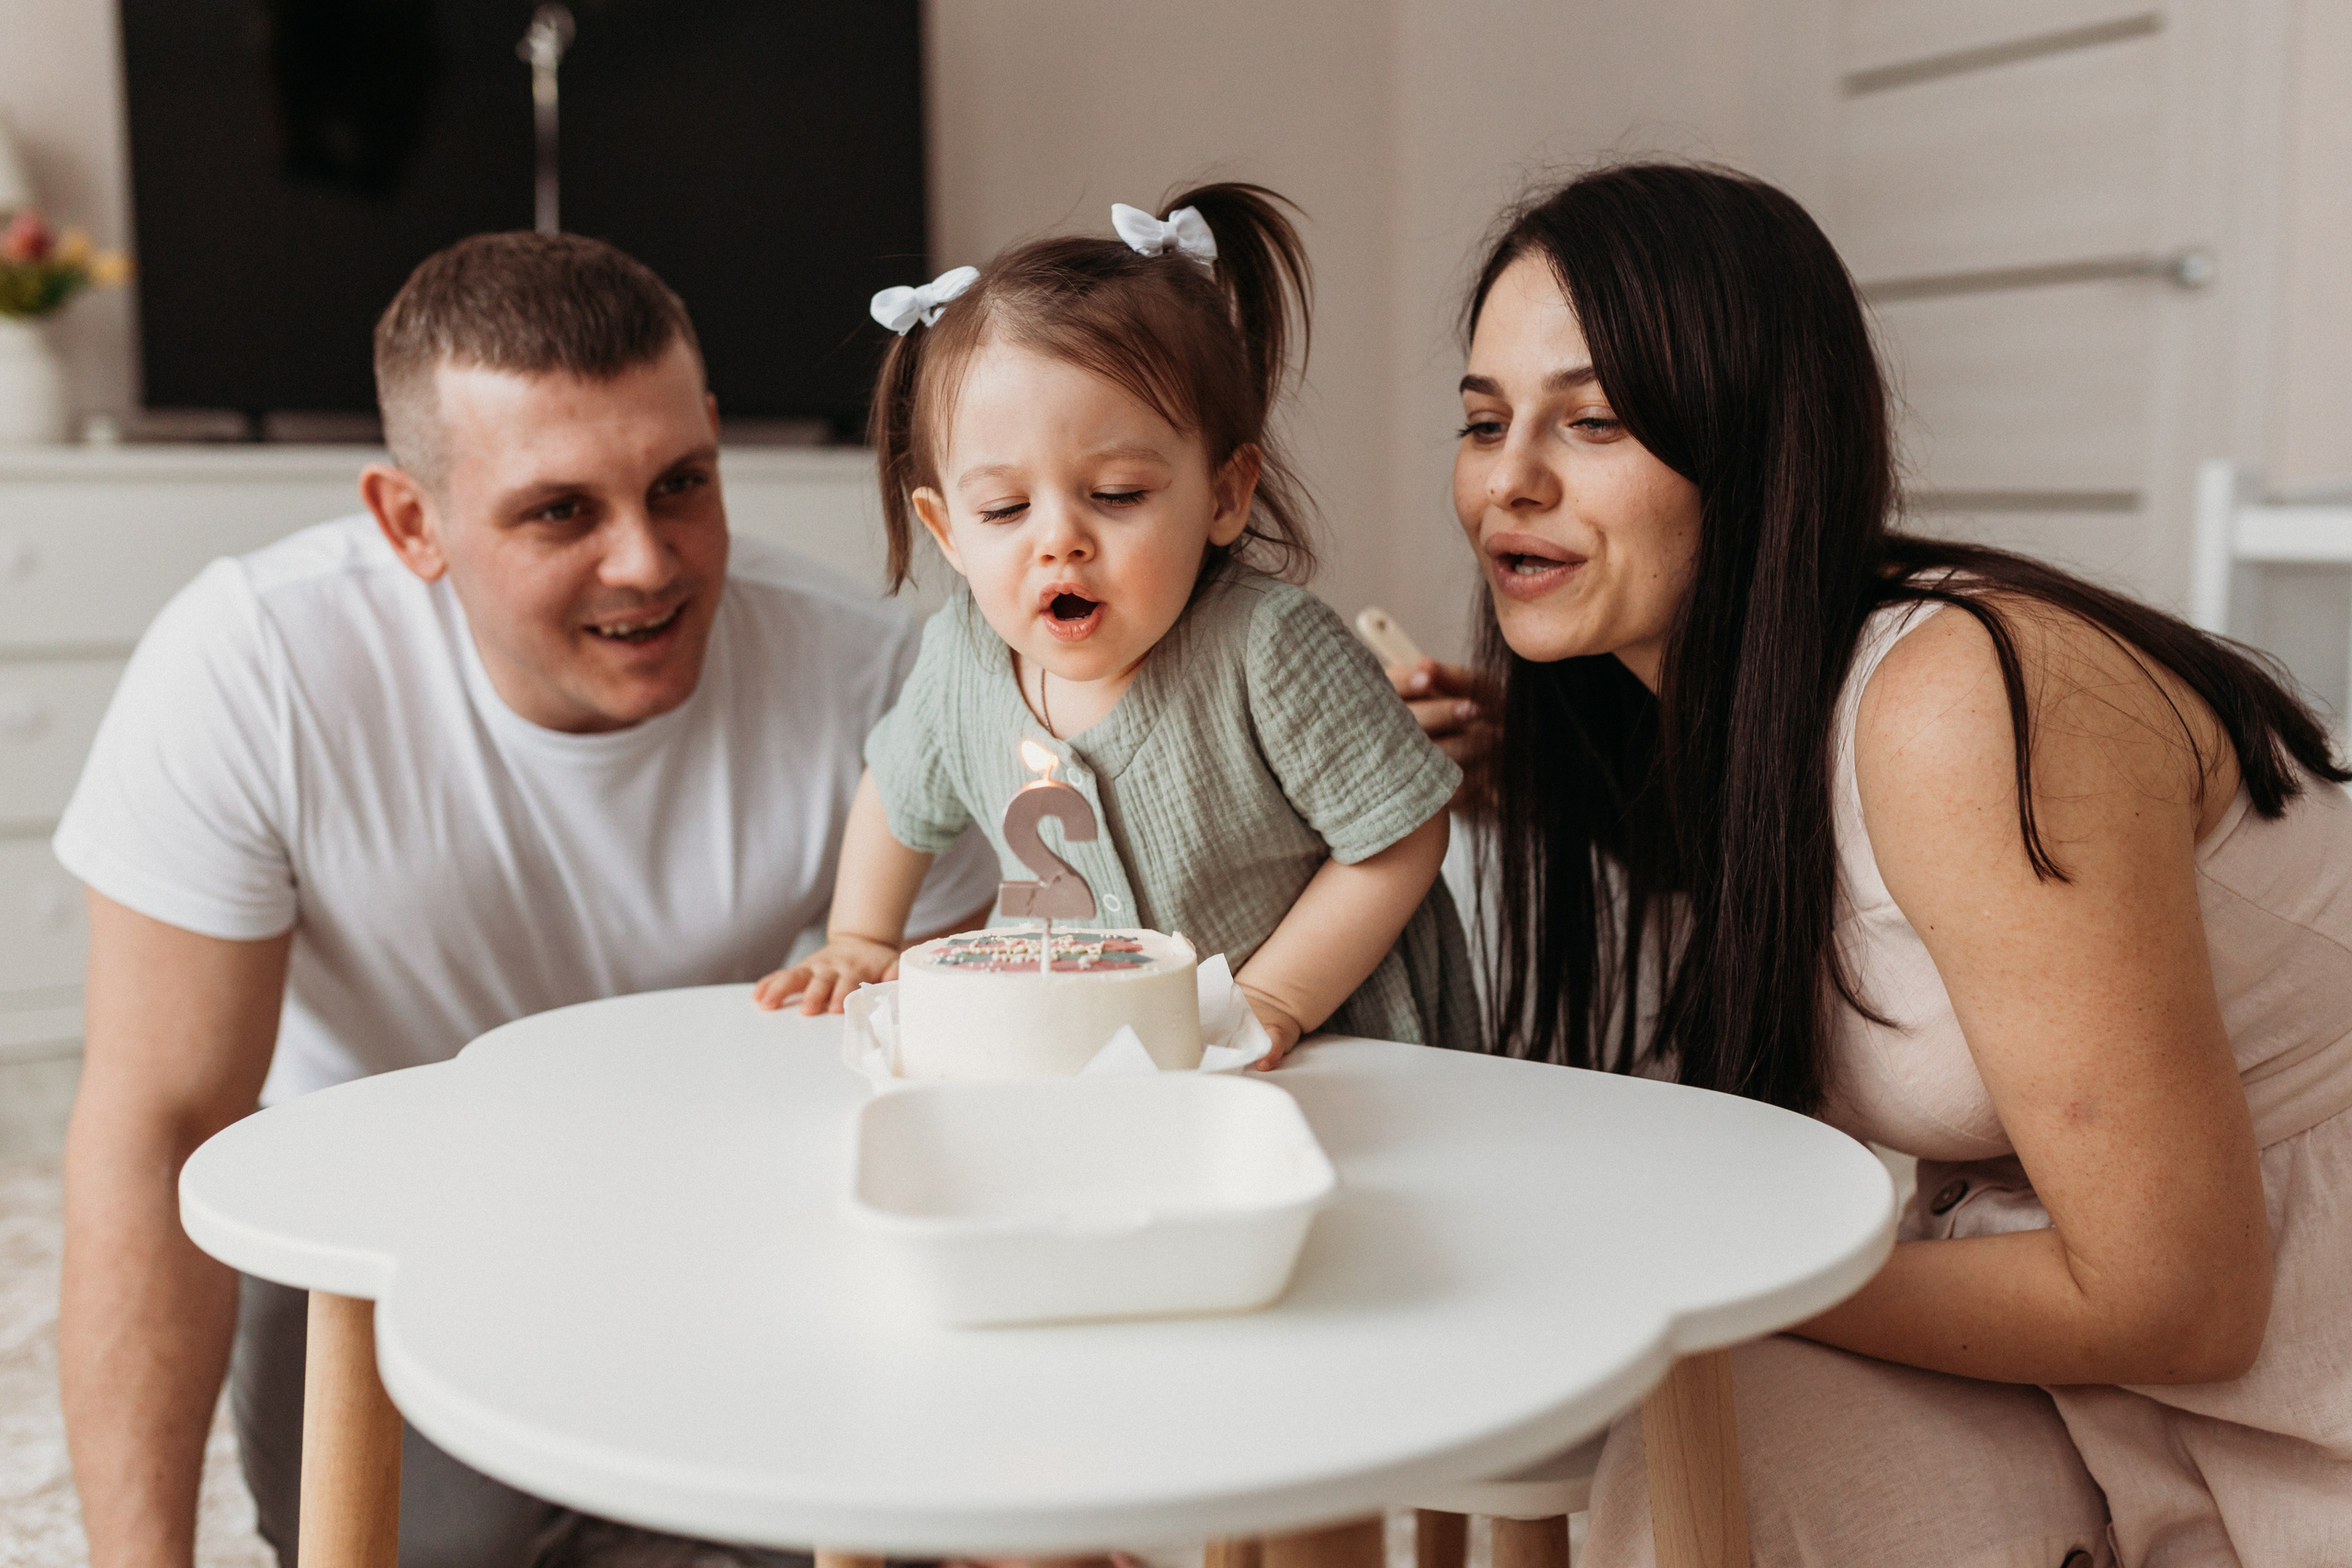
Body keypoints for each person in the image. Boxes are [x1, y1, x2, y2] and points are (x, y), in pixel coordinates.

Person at [1415, 162, 2352, 1566]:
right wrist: (1557, 791)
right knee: (1699, 1463)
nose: (1509, 481)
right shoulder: (1741, 716)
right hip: (2091, 1362)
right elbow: (1860, 912)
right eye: (1486, 419)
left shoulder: (1962, 698)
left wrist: (1712, 1276)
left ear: (1751, 445)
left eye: (1594, 419)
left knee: (1706, 1406)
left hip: (2287, 1356)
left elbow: (2181, 1297)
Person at [54, 231, 999, 1568]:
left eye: (681, 483)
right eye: (560, 511)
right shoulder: (253, 664)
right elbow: (161, 1130)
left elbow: (957, 1078)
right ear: (411, 523)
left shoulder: (866, 674)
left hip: (713, 1206)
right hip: (383, 1227)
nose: (648, 562)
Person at [752, 185, 1477, 1066]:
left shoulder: (1268, 648)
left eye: (1117, 494)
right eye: (1005, 508)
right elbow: (894, 795)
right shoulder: (960, 660)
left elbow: (1401, 837)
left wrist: (1274, 998)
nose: (1059, 539)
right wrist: (863, 934)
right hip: (1095, 1052)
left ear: (1224, 493)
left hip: (1320, 1047)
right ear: (946, 531)